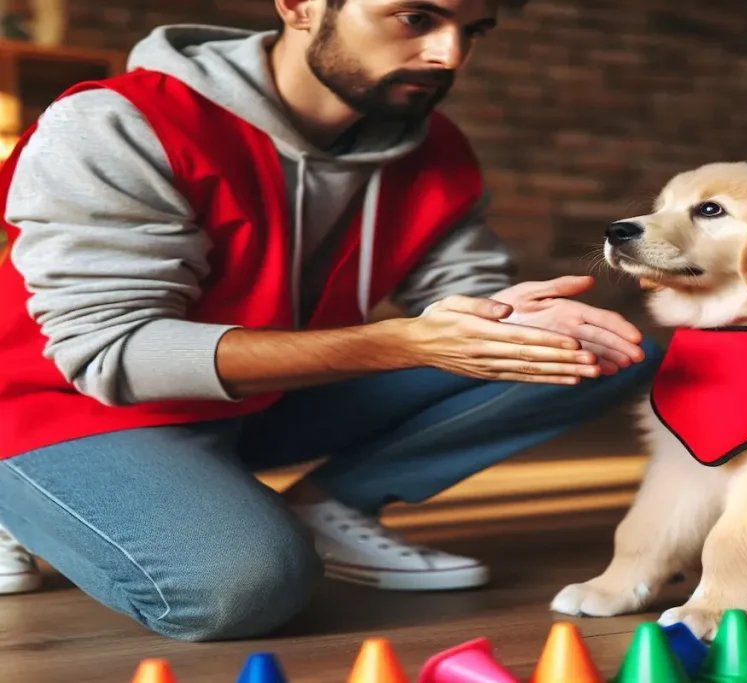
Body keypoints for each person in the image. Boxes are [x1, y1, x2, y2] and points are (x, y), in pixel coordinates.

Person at [0, 0, 661, 641]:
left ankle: (335, 502)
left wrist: (509, 314)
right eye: (416, 18)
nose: (448, 55)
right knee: (240, 588)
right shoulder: (116, 122)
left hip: (258, 397)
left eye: (473, 29)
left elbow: (470, 292)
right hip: (62, 403)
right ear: (299, 6)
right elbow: (112, 352)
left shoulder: (432, 147)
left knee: (597, 347)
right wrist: (396, 342)